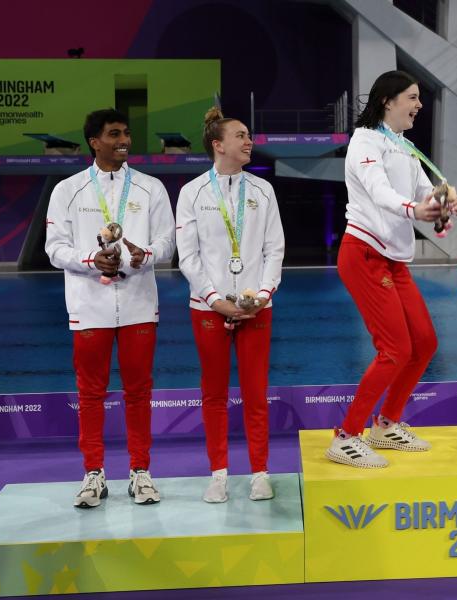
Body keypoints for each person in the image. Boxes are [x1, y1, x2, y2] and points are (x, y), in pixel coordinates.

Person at [327, 70, 457, 468]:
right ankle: (347, 436)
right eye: (412, 97)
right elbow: (379, 191)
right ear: (388, 101)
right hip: (364, 254)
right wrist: (413, 210)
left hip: (394, 259)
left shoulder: (402, 144)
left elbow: (424, 190)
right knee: (395, 349)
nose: (419, 105)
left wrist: (445, 197)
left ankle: (386, 425)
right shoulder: (365, 141)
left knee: (423, 344)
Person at [45, 108, 174, 508]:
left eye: (127, 134)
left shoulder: (151, 188)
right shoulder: (68, 190)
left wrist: (145, 256)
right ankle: (93, 474)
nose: (124, 140)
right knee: (90, 394)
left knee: (139, 392)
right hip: (89, 304)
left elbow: (168, 243)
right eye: (114, 134)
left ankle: (140, 472)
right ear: (94, 141)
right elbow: (54, 248)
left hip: (138, 304)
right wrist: (89, 260)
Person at [176, 107, 284, 502]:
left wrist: (263, 295)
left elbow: (275, 248)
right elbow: (188, 257)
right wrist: (215, 300)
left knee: (256, 393)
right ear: (218, 145)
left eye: (249, 135)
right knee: (214, 394)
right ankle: (218, 473)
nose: (249, 140)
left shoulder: (263, 191)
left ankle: (260, 472)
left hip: (257, 308)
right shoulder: (192, 193)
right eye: (241, 135)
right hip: (208, 309)